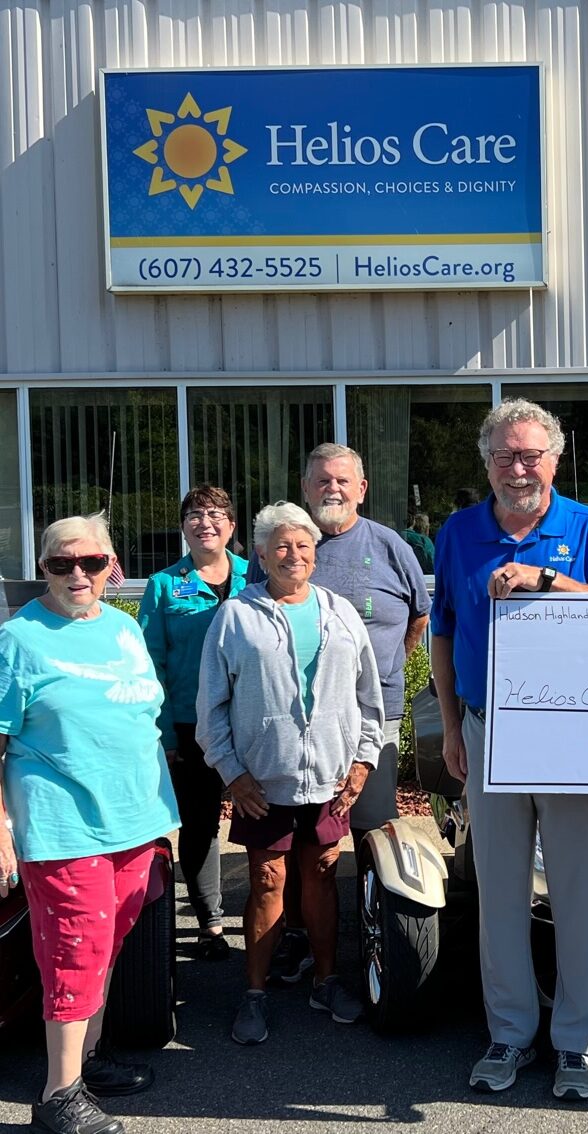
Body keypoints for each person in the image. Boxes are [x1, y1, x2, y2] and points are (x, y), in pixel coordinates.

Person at [430, 398, 588, 1101]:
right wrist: (455, 728)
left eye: (530, 455)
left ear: (554, 458)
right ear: (487, 463)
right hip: (489, 729)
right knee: (501, 890)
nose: (518, 469)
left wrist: (546, 580)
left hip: (573, 733)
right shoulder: (459, 532)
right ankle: (510, 1031)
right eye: (504, 456)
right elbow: (444, 633)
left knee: (581, 891)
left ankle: (578, 1043)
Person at [0, 514, 180, 1134]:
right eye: (61, 564)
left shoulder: (125, 629)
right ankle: (58, 1094)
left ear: (111, 565)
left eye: (92, 563)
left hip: (134, 819)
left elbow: (144, 718)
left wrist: (160, 813)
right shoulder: (18, 639)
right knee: (75, 950)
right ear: (44, 567)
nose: (78, 574)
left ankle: (88, 1061)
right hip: (62, 823)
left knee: (106, 947)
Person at [197, 501, 384, 1046]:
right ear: (260, 554)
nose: (293, 554)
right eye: (281, 545)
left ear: (315, 554)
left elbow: (368, 698)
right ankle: (254, 992)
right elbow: (211, 708)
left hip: (330, 776)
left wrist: (364, 760)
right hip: (265, 780)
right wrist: (233, 773)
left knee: (323, 875)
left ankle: (326, 981)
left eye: (303, 545)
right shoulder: (236, 616)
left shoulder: (341, 613)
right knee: (266, 880)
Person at [250, 443, 431, 980]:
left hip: (374, 718)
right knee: (307, 839)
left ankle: (380, 937)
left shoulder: (390, 545)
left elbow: (419, 615)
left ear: (362, 488)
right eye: (321, 481)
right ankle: (305, 938)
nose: (333, 489)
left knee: (373, 830)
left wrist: (385, 667)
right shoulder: (288, 545)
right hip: (298, 726)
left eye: (343, 481)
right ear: (306, 489)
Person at [139, 486, 248, 961]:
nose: (206, 522)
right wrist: (161, 732)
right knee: (201, 823)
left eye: (216, 514)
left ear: (232, 526)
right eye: (195, 515)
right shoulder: (165, 585)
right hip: (191, 724)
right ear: (183, 526)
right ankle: (211, 921)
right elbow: (150, 663)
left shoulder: (257, 573)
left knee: (263, 819)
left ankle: (277, 920)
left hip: (253, 722)